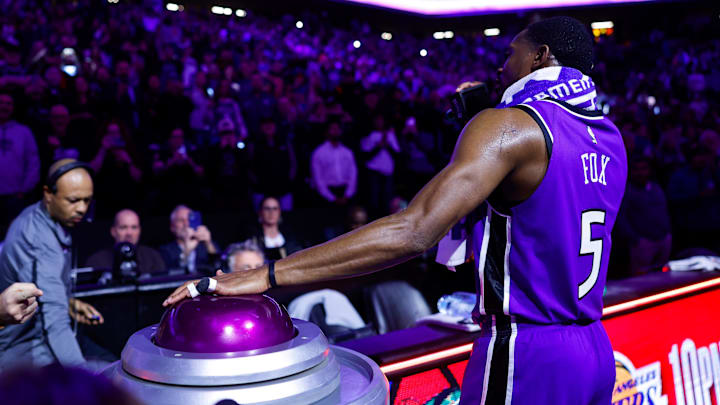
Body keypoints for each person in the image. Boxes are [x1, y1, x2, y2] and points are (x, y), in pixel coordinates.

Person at [168, 17, 627, 404]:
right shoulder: (610, 138)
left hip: (528, 352)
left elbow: (415, 230)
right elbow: (542, 213)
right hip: (594, 348)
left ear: (539, 57)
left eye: (510, 55)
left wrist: (267, 275)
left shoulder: (509, 126)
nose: (501, 67)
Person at [0, 159, 105, 370]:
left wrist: (68, 303)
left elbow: (41, 286)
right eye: (74, 200)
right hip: (23, 351)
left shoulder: (38, 216)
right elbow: (54, 322)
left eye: (87, 201)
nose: (82, 209)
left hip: (39, 341)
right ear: (48, 194)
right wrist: (84, 385)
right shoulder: (37, 239)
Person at [0, 93, 40, 229]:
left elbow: (33, 162)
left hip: (15, 196)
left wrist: (24, 189)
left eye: (8, 103)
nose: (4, 106)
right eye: (1, 102)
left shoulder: (24, 132)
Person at [85, 209, 166, 275]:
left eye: (134, 227)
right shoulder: (97, 261)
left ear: (139, 231)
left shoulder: (152, 257)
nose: (129, 233)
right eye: (123, 227)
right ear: (113, 231)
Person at [310, 120, 358, 207]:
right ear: (327, 131)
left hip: (345, 192)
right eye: (333, 129)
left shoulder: (347, 152)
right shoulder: (319, 152)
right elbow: (318, 179)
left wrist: (348, 194)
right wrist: (332, 198)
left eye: (337, 129)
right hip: (327, 194)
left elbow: (353, 174)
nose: (336, 131)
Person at [159, 205, 219, 274]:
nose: (186, 224)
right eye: (181, 220)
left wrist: (208, 243)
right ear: (172, 227)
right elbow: (171, 275)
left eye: (189, 219)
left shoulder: (204, 246)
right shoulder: (165, 251)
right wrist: (186, 251)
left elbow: (219, 267)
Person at [246, 196, 302, 261]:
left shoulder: (291, 237)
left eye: (275, 208)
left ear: (279, 212)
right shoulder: (254, 239)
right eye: (267, 208)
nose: (271, 212)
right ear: (260, 212)